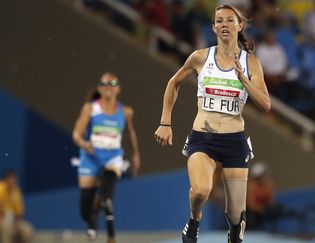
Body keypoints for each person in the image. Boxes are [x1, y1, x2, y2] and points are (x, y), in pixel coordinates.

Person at [154, 4, 271, 243]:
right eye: (219, 21)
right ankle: (194, 220)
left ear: (240, 26)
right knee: (200, 190)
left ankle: (235, 232)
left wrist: (244, 81)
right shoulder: (200, 57)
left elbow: (266, 104)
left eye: (230, 20)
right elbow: (173, 83)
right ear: (214, 27)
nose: (224, 24)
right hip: (203, 138)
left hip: (234, 142)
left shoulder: (251, 63)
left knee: (236, 216)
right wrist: (165, 122)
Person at [72, 72, 141, 243]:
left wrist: (136, 155)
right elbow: (76, 134)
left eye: (113, 83)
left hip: (113, 157)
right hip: (91, 157)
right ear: (99, 88)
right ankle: (93, 217)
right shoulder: (90, 108)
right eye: (104, 83)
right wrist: (84, 144)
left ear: (118, 89)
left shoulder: (126, 112)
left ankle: (104, 227)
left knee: (106, 192)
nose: (108, 86)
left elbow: (130, 133)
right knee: (84, 210)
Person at [0, 170, 34, 243]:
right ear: (5, 179)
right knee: (7, 227)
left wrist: (15, 218)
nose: (12, 180)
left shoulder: (16, 191)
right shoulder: (0, 188)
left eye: (14, 178)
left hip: (14, 220)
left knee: (28, 229)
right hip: (1, 220)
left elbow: (19, 211)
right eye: (10, 178)